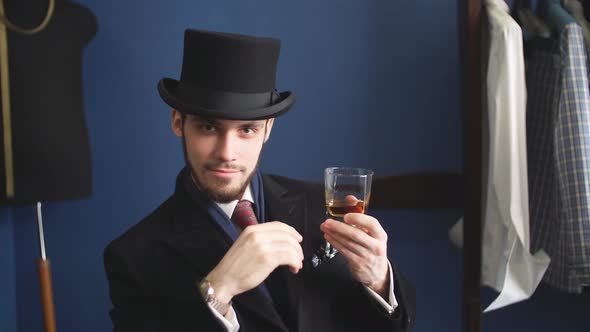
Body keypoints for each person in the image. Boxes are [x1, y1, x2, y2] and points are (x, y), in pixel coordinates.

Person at [104, 29, 416, 332]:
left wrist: (379, 280)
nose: (227, 153)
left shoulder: (321, 204)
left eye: (247, 130)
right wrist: (217, 290)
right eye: (209, 128)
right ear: (178, 122)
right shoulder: (133, 257)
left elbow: (395, 322)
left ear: (267, 129)